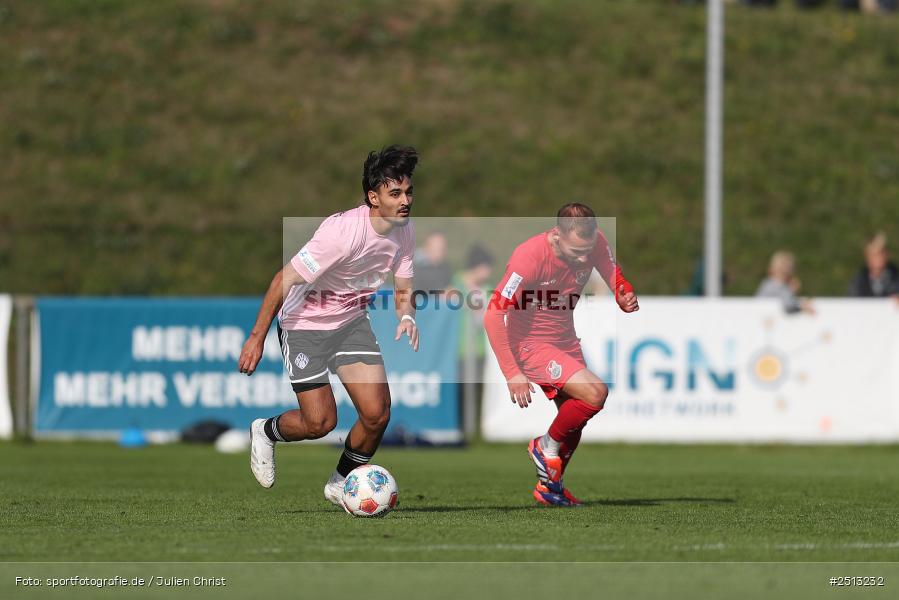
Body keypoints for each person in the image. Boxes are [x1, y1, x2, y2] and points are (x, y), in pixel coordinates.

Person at [237, 145, 420, 510]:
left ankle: (340, 484)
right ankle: (265, 430)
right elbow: (281, 280)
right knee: (319, 422)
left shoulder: (405, 231)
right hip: (304, 324)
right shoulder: (341, 234)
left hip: (351, 323)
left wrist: (406, 315)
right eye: (395, 193)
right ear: (373, 197)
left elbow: (403, 286)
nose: (405, 201)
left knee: (377, 413)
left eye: (408, 192)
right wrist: (256, 337)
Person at [484, 203, 639, 507]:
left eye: (588, 250)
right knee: (596, 393)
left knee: (574, 416)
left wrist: (624, 291)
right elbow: (493, 314)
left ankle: (549, 489)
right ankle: (544, 447)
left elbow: (613, 274)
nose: (584, 258)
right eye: (577, 252)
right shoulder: (528, 258)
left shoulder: (594, 242)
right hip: (529, 344)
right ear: (556, 235)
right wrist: (511, 372)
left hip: (565, 340)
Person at [847, 233, 899, 298]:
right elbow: (851, 301)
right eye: (873, 254)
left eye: (880, 253)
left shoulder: (896, 278)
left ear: (886, 254)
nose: (877, 258)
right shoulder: (859, 281)